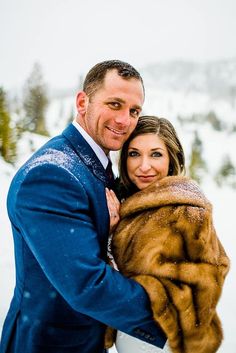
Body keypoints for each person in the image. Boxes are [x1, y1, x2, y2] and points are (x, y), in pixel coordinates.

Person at [0, 62, 167, 353]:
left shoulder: (94, 165)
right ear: (82, 102)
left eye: (133, 111)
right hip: (49, 344)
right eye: (114, 104)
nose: (124, 120)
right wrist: (173, 315)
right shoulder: (52, 174)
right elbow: (86, 283)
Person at [105, 115, 230, 353]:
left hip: (162, 339)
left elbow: (210, 278)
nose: (144, 166)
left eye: (156, 154)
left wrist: (152, 292)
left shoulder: (186, 209)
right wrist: (110, 230)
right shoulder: (124, 202)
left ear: (172, 159)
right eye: (134, 154)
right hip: (127, 333)